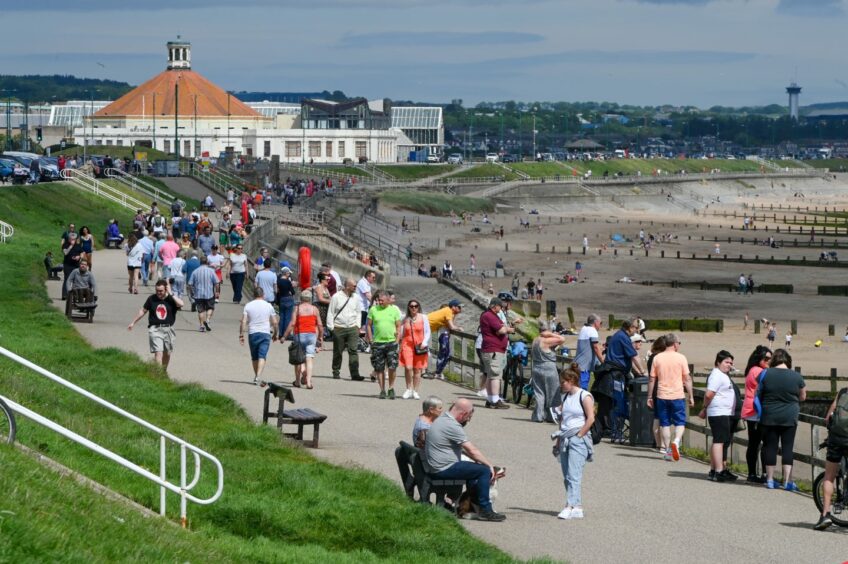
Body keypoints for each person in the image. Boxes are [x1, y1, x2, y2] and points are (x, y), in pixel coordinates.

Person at [422, 398, 506, 522]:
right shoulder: (453, 426)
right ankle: (485, 510)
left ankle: (473, 505)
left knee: (475, 469)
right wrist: (489, 465)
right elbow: (472, 450)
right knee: (483, 471)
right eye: (469, 417)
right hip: (443, 469)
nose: (468, 420)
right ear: (464, 414)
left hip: (436, 465)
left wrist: (478, 461)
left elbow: (463, 449)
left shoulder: (442, 419)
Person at [553, 363, 595, 520]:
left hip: (578, 439)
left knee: (573, 474)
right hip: (564, 437)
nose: (561, 384)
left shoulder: (585, 396)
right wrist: (558, 441)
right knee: (566, 474)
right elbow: (562, 419)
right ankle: (577, 506)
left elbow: (590, 418)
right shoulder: (565, 397)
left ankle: (569, 505)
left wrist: (579, 435)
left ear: (571, 380)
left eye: (563, 382)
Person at [759, 348, 806, 490]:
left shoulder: (765, 373)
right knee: (787, 448)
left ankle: (770, 480)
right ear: (788, 361)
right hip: (789, 415)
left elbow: (758, 392)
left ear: (774, 360)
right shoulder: (797, 376)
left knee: (770, 447)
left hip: (769, 415)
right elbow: (803, 397)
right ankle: (787, 481)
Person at [594, 319, 645, 440]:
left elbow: (627, 358)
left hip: (613, 372)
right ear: (630, 328)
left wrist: (637, 372)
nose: (637, 330)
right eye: (636, 328)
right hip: (615, 373)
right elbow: (634, 356)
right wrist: (642, 372)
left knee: (610, 403)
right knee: (616, 402)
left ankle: (610, 428)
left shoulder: (618, 335)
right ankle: (612, 429)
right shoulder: (623, 337)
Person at [646, 333, 692, 461]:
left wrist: (649, 396)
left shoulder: (657, 358)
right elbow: (687, 378)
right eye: (679, 343)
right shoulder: (681, 358)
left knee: (664, 423)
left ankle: (667, 450)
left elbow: (651, 379)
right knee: (680, 422)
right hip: (677, 394)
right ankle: (676, 441)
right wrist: (691, 395)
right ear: (675, 344)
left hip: (661, 395)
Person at [699, 350, 738, 482]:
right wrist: (704, 408)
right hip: (718, 412)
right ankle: (719, 471)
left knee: (720, 440)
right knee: (719, 441)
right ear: (718, 362)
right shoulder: (716, 375)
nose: (729, 365)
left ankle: (714, 469)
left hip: (724, 412)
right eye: (726, 362)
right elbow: (709, 394)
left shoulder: (722, 375)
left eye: (731, 363)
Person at [127, 279, 183, 370]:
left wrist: (171, 293)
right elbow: (143, 311)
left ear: (166, 290)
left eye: (161, 291)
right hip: (155, 329)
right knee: (158, 352)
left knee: (167, 353)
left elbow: (181, 304)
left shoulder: (171, 299)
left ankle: (163, 371)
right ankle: (158, 374)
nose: (158, 293)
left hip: (169, 329)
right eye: (157, 290)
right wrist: (133, 322)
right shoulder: (151, 299)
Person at [814, 387, 848, 530]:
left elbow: (828, 418)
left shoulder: (842, 392)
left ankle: (825, 515)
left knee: (829, 476)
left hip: (837, 439)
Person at [740, 345, 771, 483]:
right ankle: (761, 474)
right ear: (759, 358)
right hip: (756, 411)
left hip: (751, 410)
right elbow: (768, 386)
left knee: (754, 443)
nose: (769, 361)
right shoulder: (758, 371)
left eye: (771, 358)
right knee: (762, 443)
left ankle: (753, 473)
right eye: (767, 358)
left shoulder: (752, 370)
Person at [281, 290, 323, 389]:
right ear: (310, 299)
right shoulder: (314, 309)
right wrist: (320, 336)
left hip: (299, 335)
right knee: (309, 359)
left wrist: (284, 336)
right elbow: (320, 325)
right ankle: (308, 382)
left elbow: (292, 324)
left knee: (298, 359)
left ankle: (297, 381)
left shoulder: (297, 308)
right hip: (311, 336)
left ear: (301, 299)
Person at [479, 297, 515, 409]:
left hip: (491, 349)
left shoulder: (488, 315)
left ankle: (490, 399)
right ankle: (495, 400)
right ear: (494, 306)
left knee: (491, 375)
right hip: (494, 350)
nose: (501, 308)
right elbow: (501, 330)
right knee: (495, 375)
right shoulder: (489, 316)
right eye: (500, 306)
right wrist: (509, 329)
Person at [366, 290, 402, 399]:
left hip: (391, 342)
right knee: (379, 368)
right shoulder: (373, 310)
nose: (379, 302)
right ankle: (382, 390)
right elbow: (368, 325)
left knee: (392, 367)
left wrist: (397, 340)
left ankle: (391, 388)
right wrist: (371, 339)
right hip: (378, 343)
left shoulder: (394, 310)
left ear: (388, 300)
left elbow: (398, 326)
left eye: (382, 300)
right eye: (378, 300)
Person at [240, 286, 279, 385]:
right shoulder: (269, 306)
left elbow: (244, 321)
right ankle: (258, 376)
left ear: (254, 295)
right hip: (265, 333)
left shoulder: (248, 305)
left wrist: (241, 334)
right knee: (262, 355)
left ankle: (256, 376)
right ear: (263, 295)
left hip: (253, 333)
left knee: (254, 356)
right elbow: (275, 322)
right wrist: (275, 333)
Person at [326, 277, 363, 381]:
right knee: (338, 351)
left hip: (352, 328)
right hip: (339, 328)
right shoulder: (336, 297)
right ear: (347, 286)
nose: (356, 287)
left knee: (353, 350)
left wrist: (357, 326)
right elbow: (331, 312)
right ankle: (336, 371)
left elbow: (358, 312)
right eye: (354, 285)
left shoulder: (356, 297)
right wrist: (331, 328)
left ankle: (355, 373)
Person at [530, 329, 567, 423]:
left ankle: (538, 415)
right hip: (548, 368)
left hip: (536, 367)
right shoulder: (546, 341)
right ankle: (552, 415)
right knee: (553, 392)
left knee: (539, 393)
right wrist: (551, 334)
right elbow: (562, 339)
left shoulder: (535, 340)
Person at [399, 299, 431, 400]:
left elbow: (427, 332)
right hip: (407, 344)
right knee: (408, 367)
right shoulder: (405, 319)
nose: (414, 308)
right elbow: (401, 332)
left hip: (420, 345)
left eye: (416, 306)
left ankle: (415, 391)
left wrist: (424, 343)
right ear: (408, 307)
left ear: (418, 307)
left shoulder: (423, 317)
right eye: (411, 306)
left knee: (417, 369)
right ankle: (408, 389)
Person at [427, 299, 463, 381]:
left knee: (446, 354)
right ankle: (437, 372)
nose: (460, 309)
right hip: (442, 335)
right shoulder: (448, 312)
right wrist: (459, 328)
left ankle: (438, 372)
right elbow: (451, 326)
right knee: (443, 353)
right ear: (453, 307)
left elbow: (450, 325)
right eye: (459, 307)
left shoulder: (450, 313)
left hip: (442, 334)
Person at [187, 255, 219, 332]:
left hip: (198, 294)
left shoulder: (195, 271)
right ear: (207, 262)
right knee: (210, 308)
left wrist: (192, 292)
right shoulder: (211, 271)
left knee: (201, 311)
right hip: (209, 294)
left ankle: (201, 326)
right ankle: (207, 320)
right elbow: (217, 283)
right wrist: (217, 292)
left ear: (200, 262)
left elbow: (190, 284)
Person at [575, 314, 603, 390]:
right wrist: (603, 361)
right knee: (582, 389)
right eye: (601, 323)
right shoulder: (592, 330)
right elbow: (596, 347)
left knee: (577, 387)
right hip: (584, 367)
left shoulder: (584, 328)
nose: (601, 326)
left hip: (578, 364)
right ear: (596, 322)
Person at [61, 232, 85, 300]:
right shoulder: (65, 245)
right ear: (68, 239)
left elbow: (82, 253)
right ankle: (65, 295)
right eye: (71, 239)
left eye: (74, 239)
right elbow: (65, 253)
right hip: (67, 265)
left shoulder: (78, 245)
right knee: (67, 279)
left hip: (76, 265)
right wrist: (70, 246)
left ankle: (76, 295)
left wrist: (79, 257)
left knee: (76, 280)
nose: (73, 240)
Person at [276, 266, 297, 339]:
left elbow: (277, 290)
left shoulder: (278, 281)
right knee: (288, 317)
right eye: (288, 273)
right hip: (288, 298)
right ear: (286, 273)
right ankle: (286, 334)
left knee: (282, 317)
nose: (289, 274)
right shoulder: (287, 281)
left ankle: (280, 334)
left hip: (281, 299)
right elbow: (293, 292)